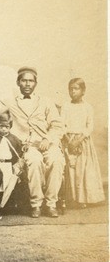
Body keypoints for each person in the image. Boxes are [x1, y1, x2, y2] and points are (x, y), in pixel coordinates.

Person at [6, 67, 65, 218]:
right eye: (24, 80)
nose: (27, 84)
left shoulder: (45, 101)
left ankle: (51, 203)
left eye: (30, 81)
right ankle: (36, 204)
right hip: (28, 145)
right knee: (34, 160)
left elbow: (57, 125)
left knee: (57, 160)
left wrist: (48, 139)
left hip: (47, 142)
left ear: (35, 83)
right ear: (18, 83)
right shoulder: (11, 102)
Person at [61, 78, 105, 208]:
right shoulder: (66, 106)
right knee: (70, 168)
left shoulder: (88, 107)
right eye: (70, 89)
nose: (73, 91)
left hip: (83, 141)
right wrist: (69, 140)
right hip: (68, 139)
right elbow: (61, 124)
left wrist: (79, 139)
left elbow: (89, 126)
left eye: (76, 88)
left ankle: (83, 198)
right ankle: (71, 198)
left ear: (83, 91)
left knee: (83, 169)